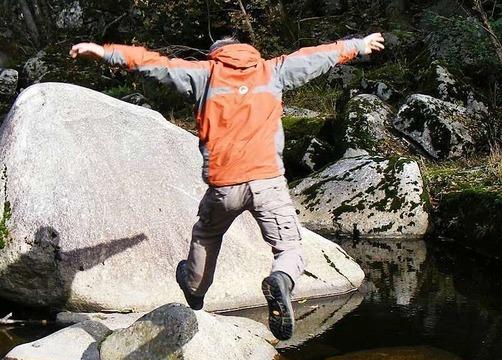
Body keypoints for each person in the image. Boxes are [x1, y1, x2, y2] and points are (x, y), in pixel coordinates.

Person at [69, 32, 385, 340]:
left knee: (207, 236)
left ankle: (194, 290)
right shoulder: (272, 69)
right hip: (267, 183)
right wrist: (358, 45)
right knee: (288, 247)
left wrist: (102, 51)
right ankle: (281, 280)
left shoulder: (204, 75)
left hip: (223, 187)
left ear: (215, 55)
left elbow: (154, 64)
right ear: (246, 51)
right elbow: (318, 56)